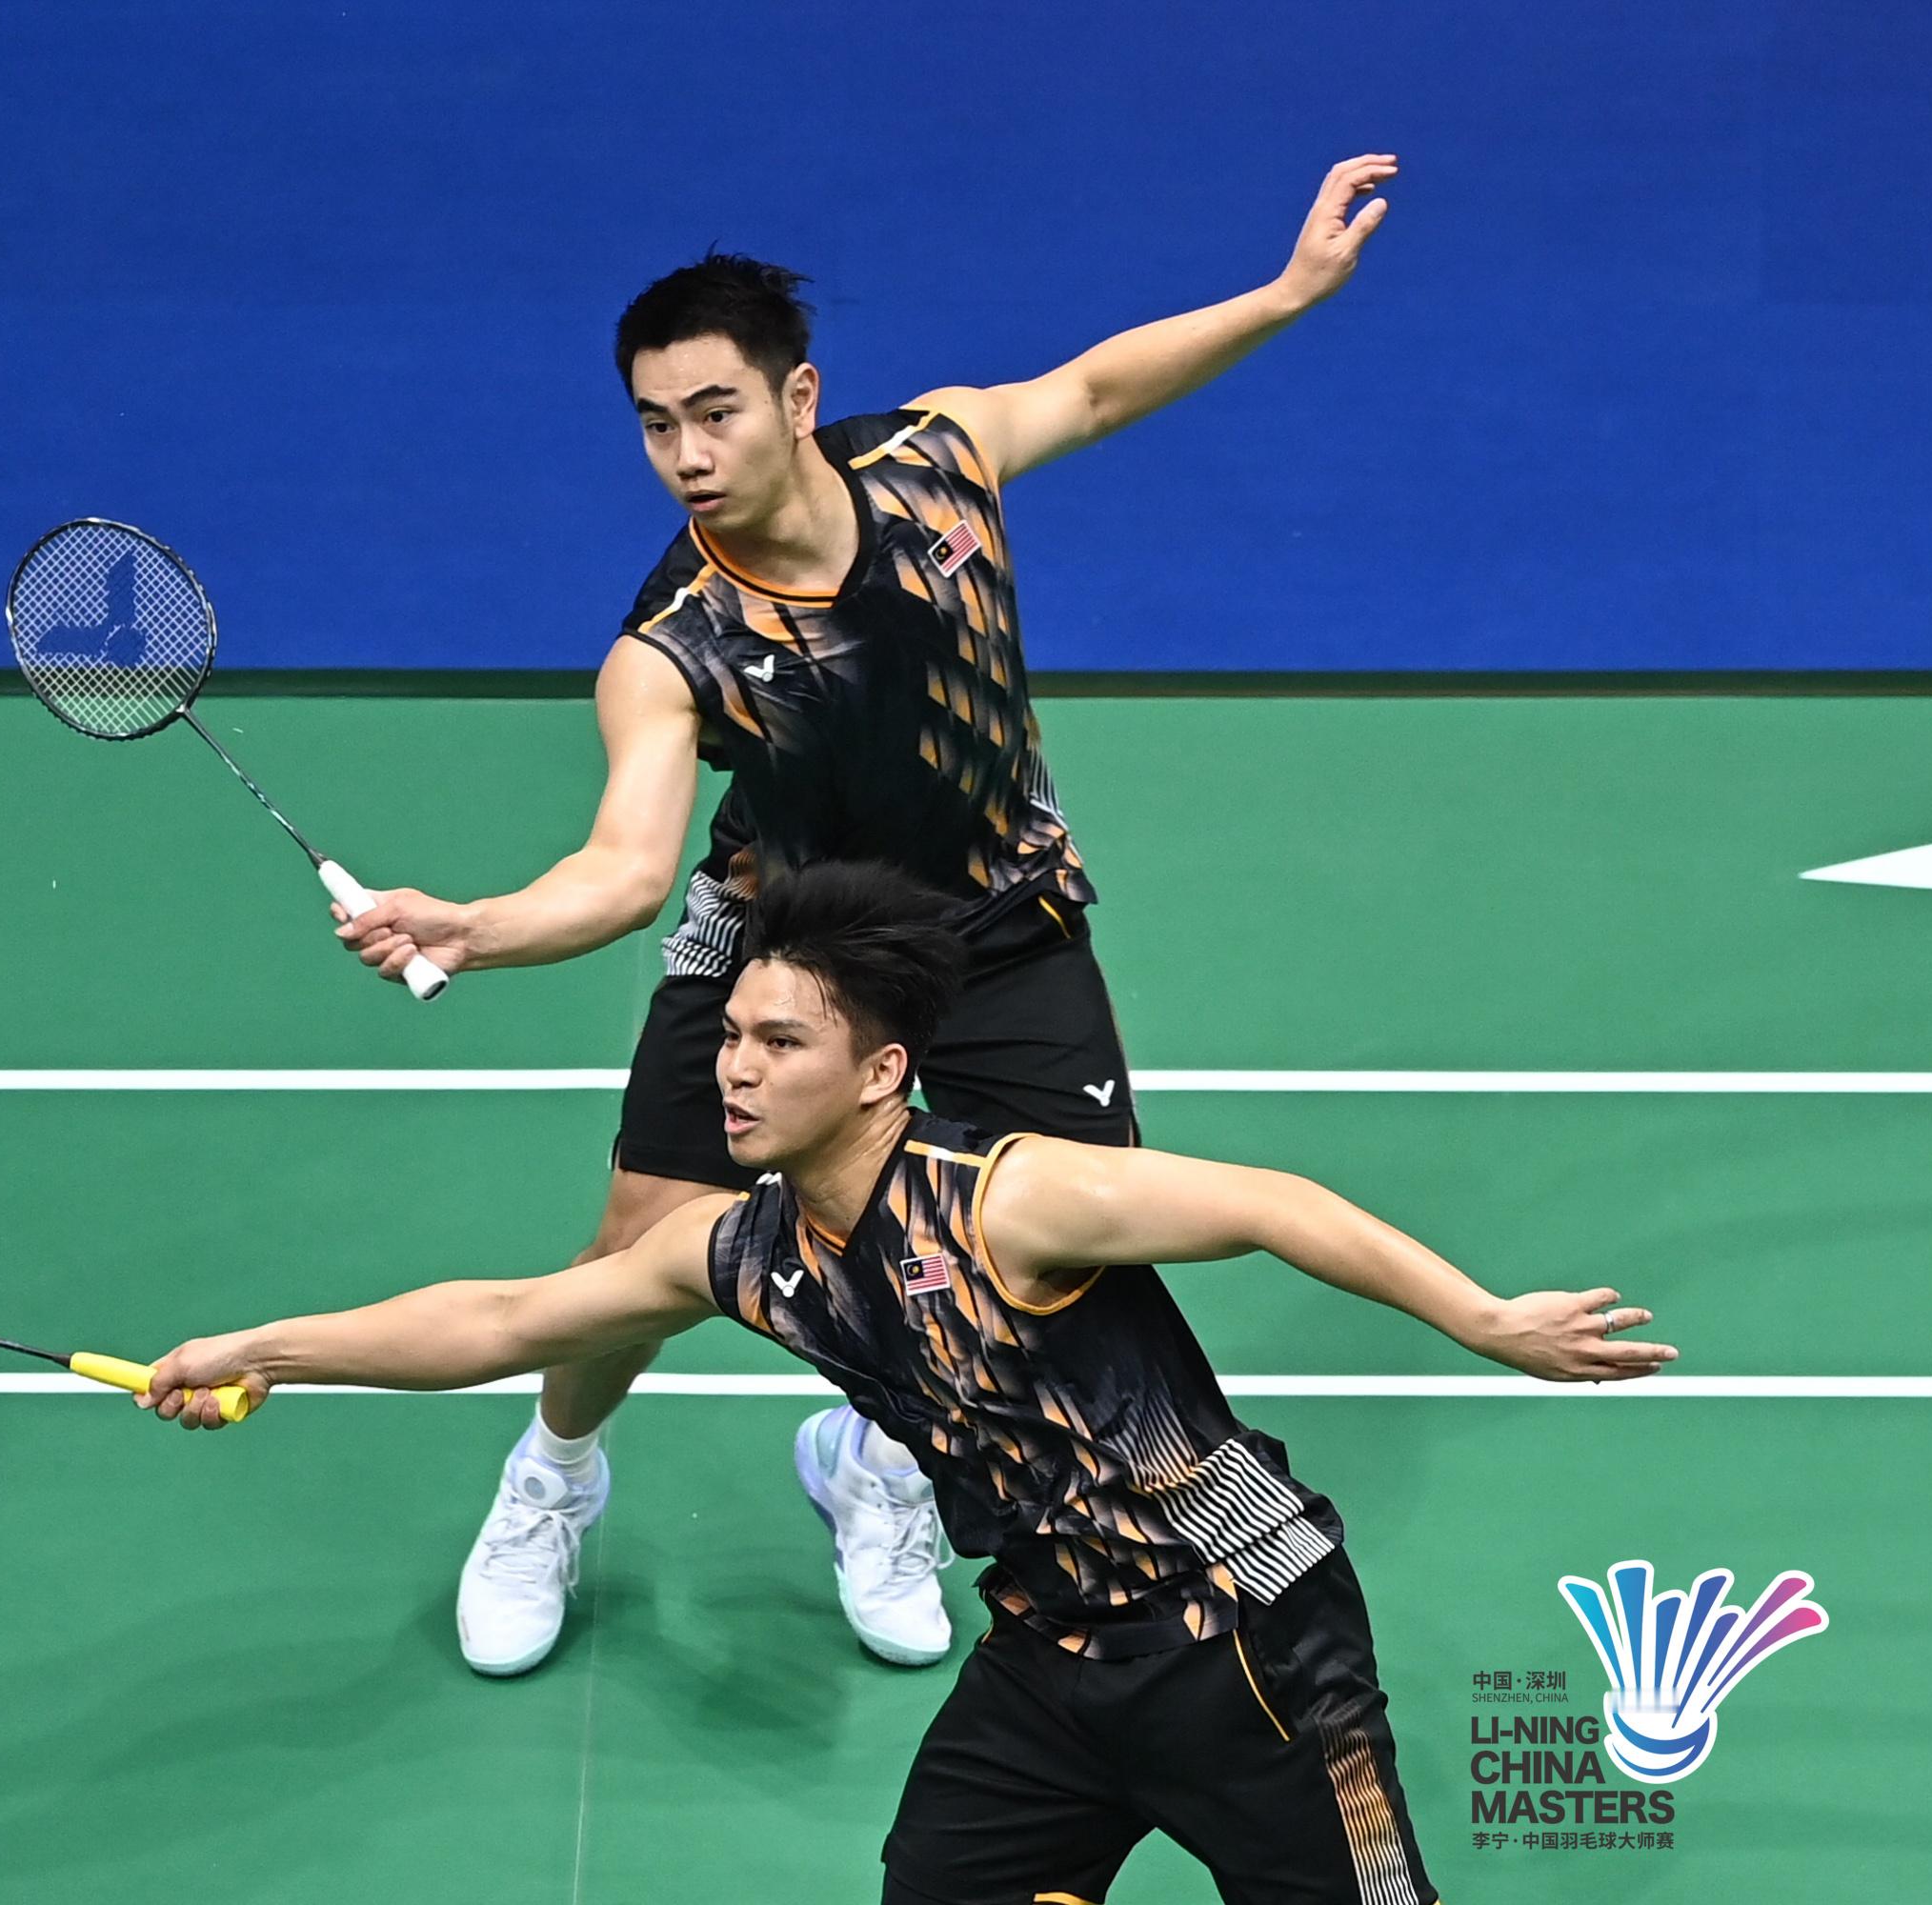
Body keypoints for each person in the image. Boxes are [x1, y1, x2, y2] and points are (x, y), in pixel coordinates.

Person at [337, 158, 1401, 1674]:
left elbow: (1095, 390)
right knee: (637, 1249)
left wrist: (1286, 295)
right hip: (782, 947)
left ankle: (876, 1466)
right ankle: (555, 1474)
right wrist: (480, 927)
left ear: (798, 398)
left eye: (714, 412)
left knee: (1062, 1244)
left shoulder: (934, 459)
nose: (686, 454)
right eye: (654, 424)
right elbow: (626, 870)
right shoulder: (674, 650)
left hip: (1000, 924)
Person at [165, 861, 1671, 1904]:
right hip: (1048, 1656)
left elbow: (1273, 1204)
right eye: (730, 1037)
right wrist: (263, 1353)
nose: (733, 1069)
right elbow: (507, 1318)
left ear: (882, 1072)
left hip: (1247, 1641)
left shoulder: (1011, 1198)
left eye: (779, 1042)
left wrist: (1485, 1319)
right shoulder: (747, 1251)